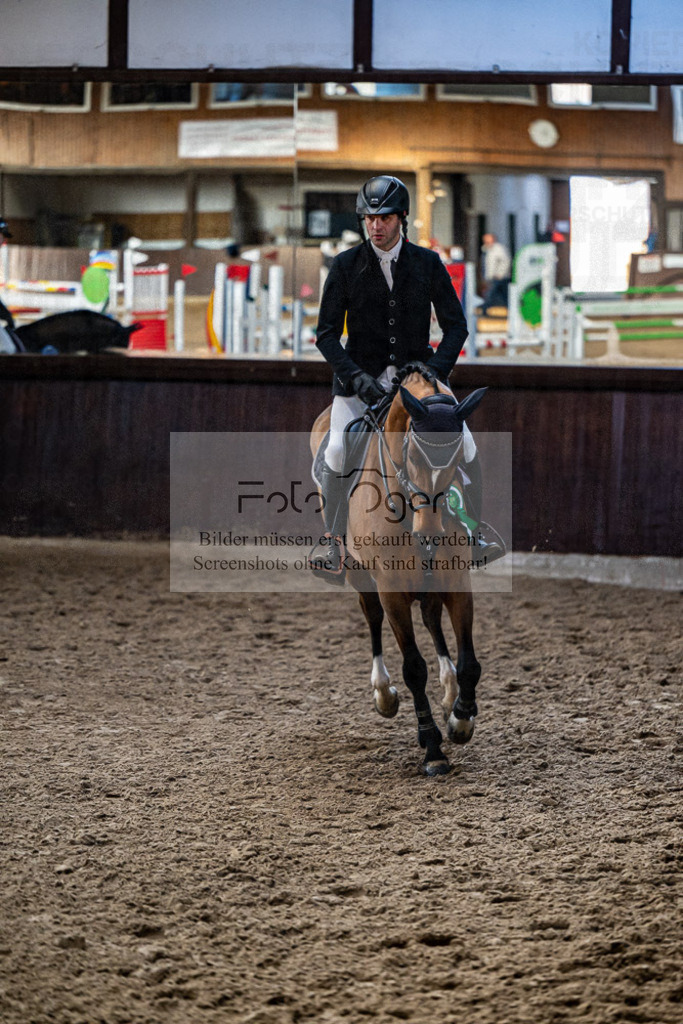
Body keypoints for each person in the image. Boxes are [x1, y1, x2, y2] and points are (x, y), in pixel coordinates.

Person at [309, 173, 503, 577]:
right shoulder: (346, 266)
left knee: (466, 445)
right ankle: (332, 543)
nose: (375, 226)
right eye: (369, 219)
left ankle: (478, 533)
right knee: (336, 451)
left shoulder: (428, 264)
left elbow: (456, 328)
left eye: (384, 219)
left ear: (402, 219)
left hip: (419, 380)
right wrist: (356, 377)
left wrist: (433, 372)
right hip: (358, 382)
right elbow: (325, 334)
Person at [480, 233, 511, 315]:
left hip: (499, 277)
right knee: (504, 295)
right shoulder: (488, 250)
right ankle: (512, 309)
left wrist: (500, 273)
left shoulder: (499, 249)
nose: (485, 242)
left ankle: (484, 309)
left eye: (487, 240)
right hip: (492, 277)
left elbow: (506, 261)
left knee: (490, 294)